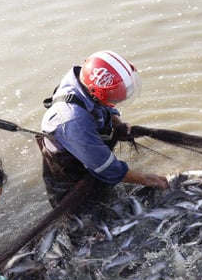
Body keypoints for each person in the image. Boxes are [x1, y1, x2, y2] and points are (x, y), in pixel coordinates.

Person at [39, 50, 168, 206]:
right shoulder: (73, 120)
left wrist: (118, 123)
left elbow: (105, 105)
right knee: (84, 215)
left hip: (84, 144)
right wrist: (145, 179)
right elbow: (104, 166)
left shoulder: (83, 76)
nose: (115, 102)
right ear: (96, 93)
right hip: (68, 171)